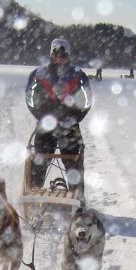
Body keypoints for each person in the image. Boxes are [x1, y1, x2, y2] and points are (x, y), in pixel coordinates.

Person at [25, 37, 92, 189]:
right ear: (51, 54)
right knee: (40, 162)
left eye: (63, 55)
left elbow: (87, 100)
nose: (59, 58)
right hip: (46, 124)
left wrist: (76, 117)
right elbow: (29, 97)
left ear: (68, 56)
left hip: (70, 126)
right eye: (56, 54)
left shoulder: (78, 76)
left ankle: (78, 201)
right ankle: (33, 197)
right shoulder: (39, 74)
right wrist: (40, 115)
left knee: (73, 165)